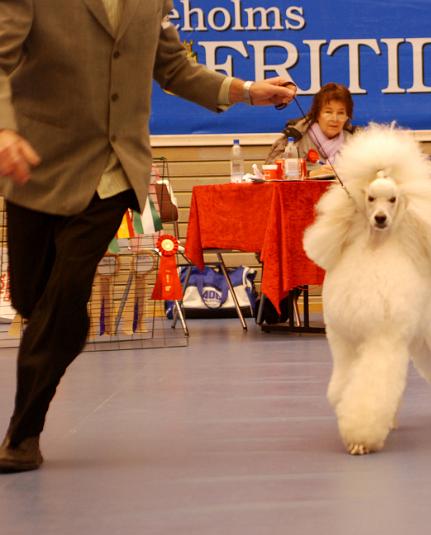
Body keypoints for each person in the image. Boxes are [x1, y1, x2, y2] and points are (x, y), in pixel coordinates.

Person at [0, 0, 296, 473]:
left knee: (65, 291)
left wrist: (245, 91)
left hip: (114, 170)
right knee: (33, 300)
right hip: (35, 164)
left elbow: (174, 67)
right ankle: (66, 327)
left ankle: (23, 432)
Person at [266, 82, 355, 171]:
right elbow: (272, 172)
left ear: (347, 116)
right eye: (328, 112)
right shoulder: (295, 140)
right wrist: (311, 173)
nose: (335, 119)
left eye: (340, 113)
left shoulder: (356, 142)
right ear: (317, 114)